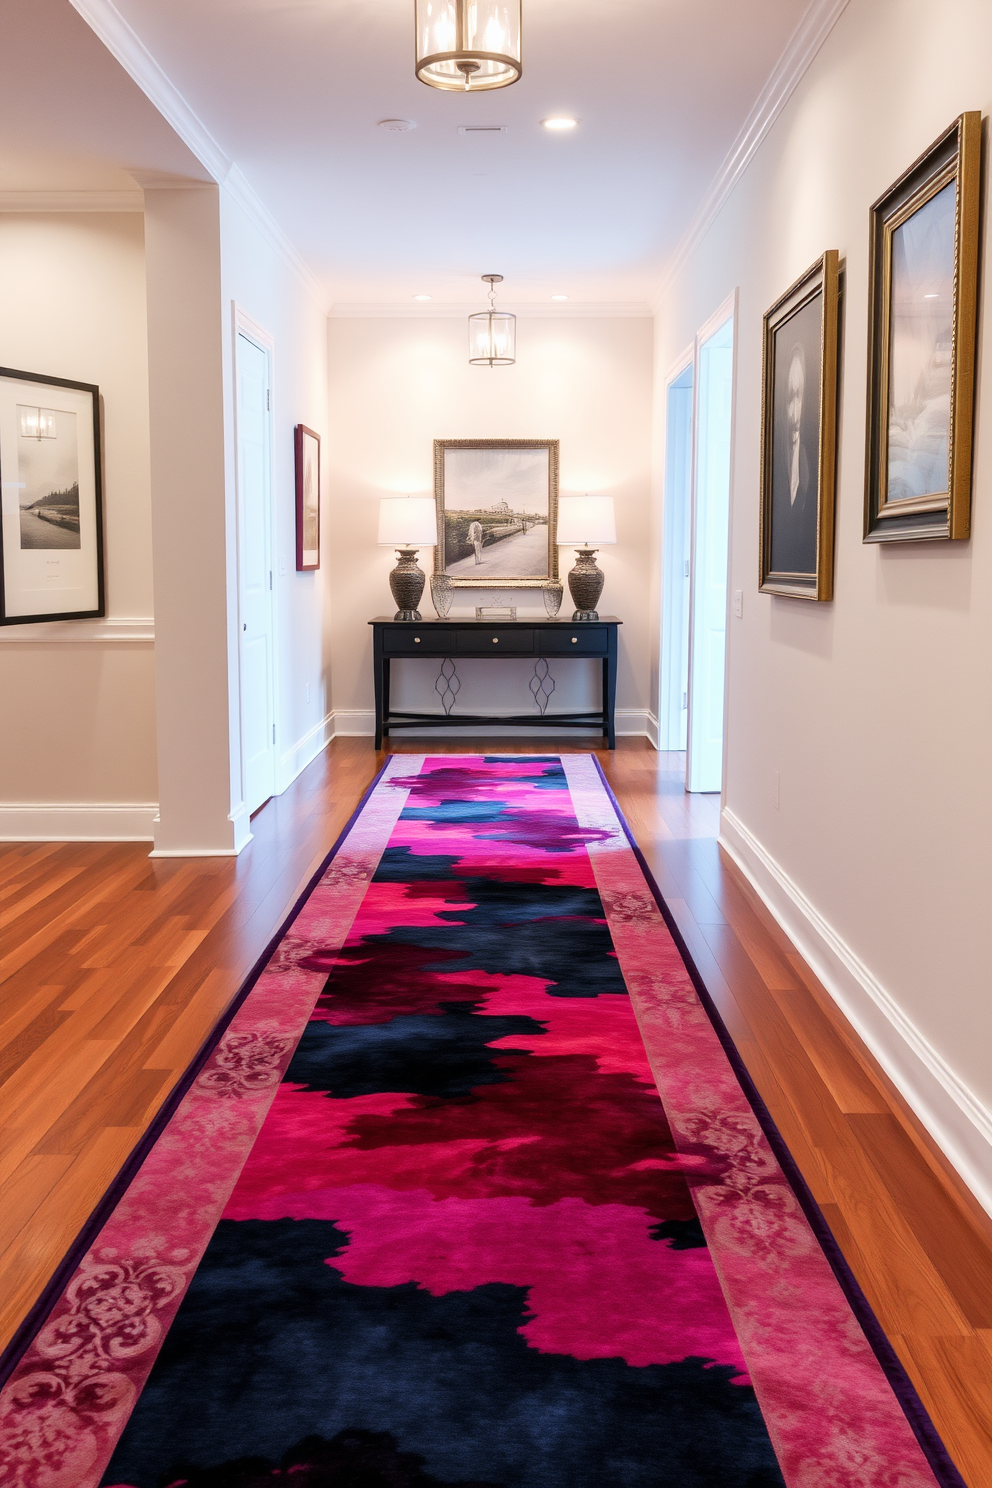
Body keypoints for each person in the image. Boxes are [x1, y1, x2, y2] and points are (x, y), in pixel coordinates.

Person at [771, 337, 817, 576]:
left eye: (798, 396)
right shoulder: (775, 463)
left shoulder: (813, 463)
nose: (793, 409)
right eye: (789, 398)